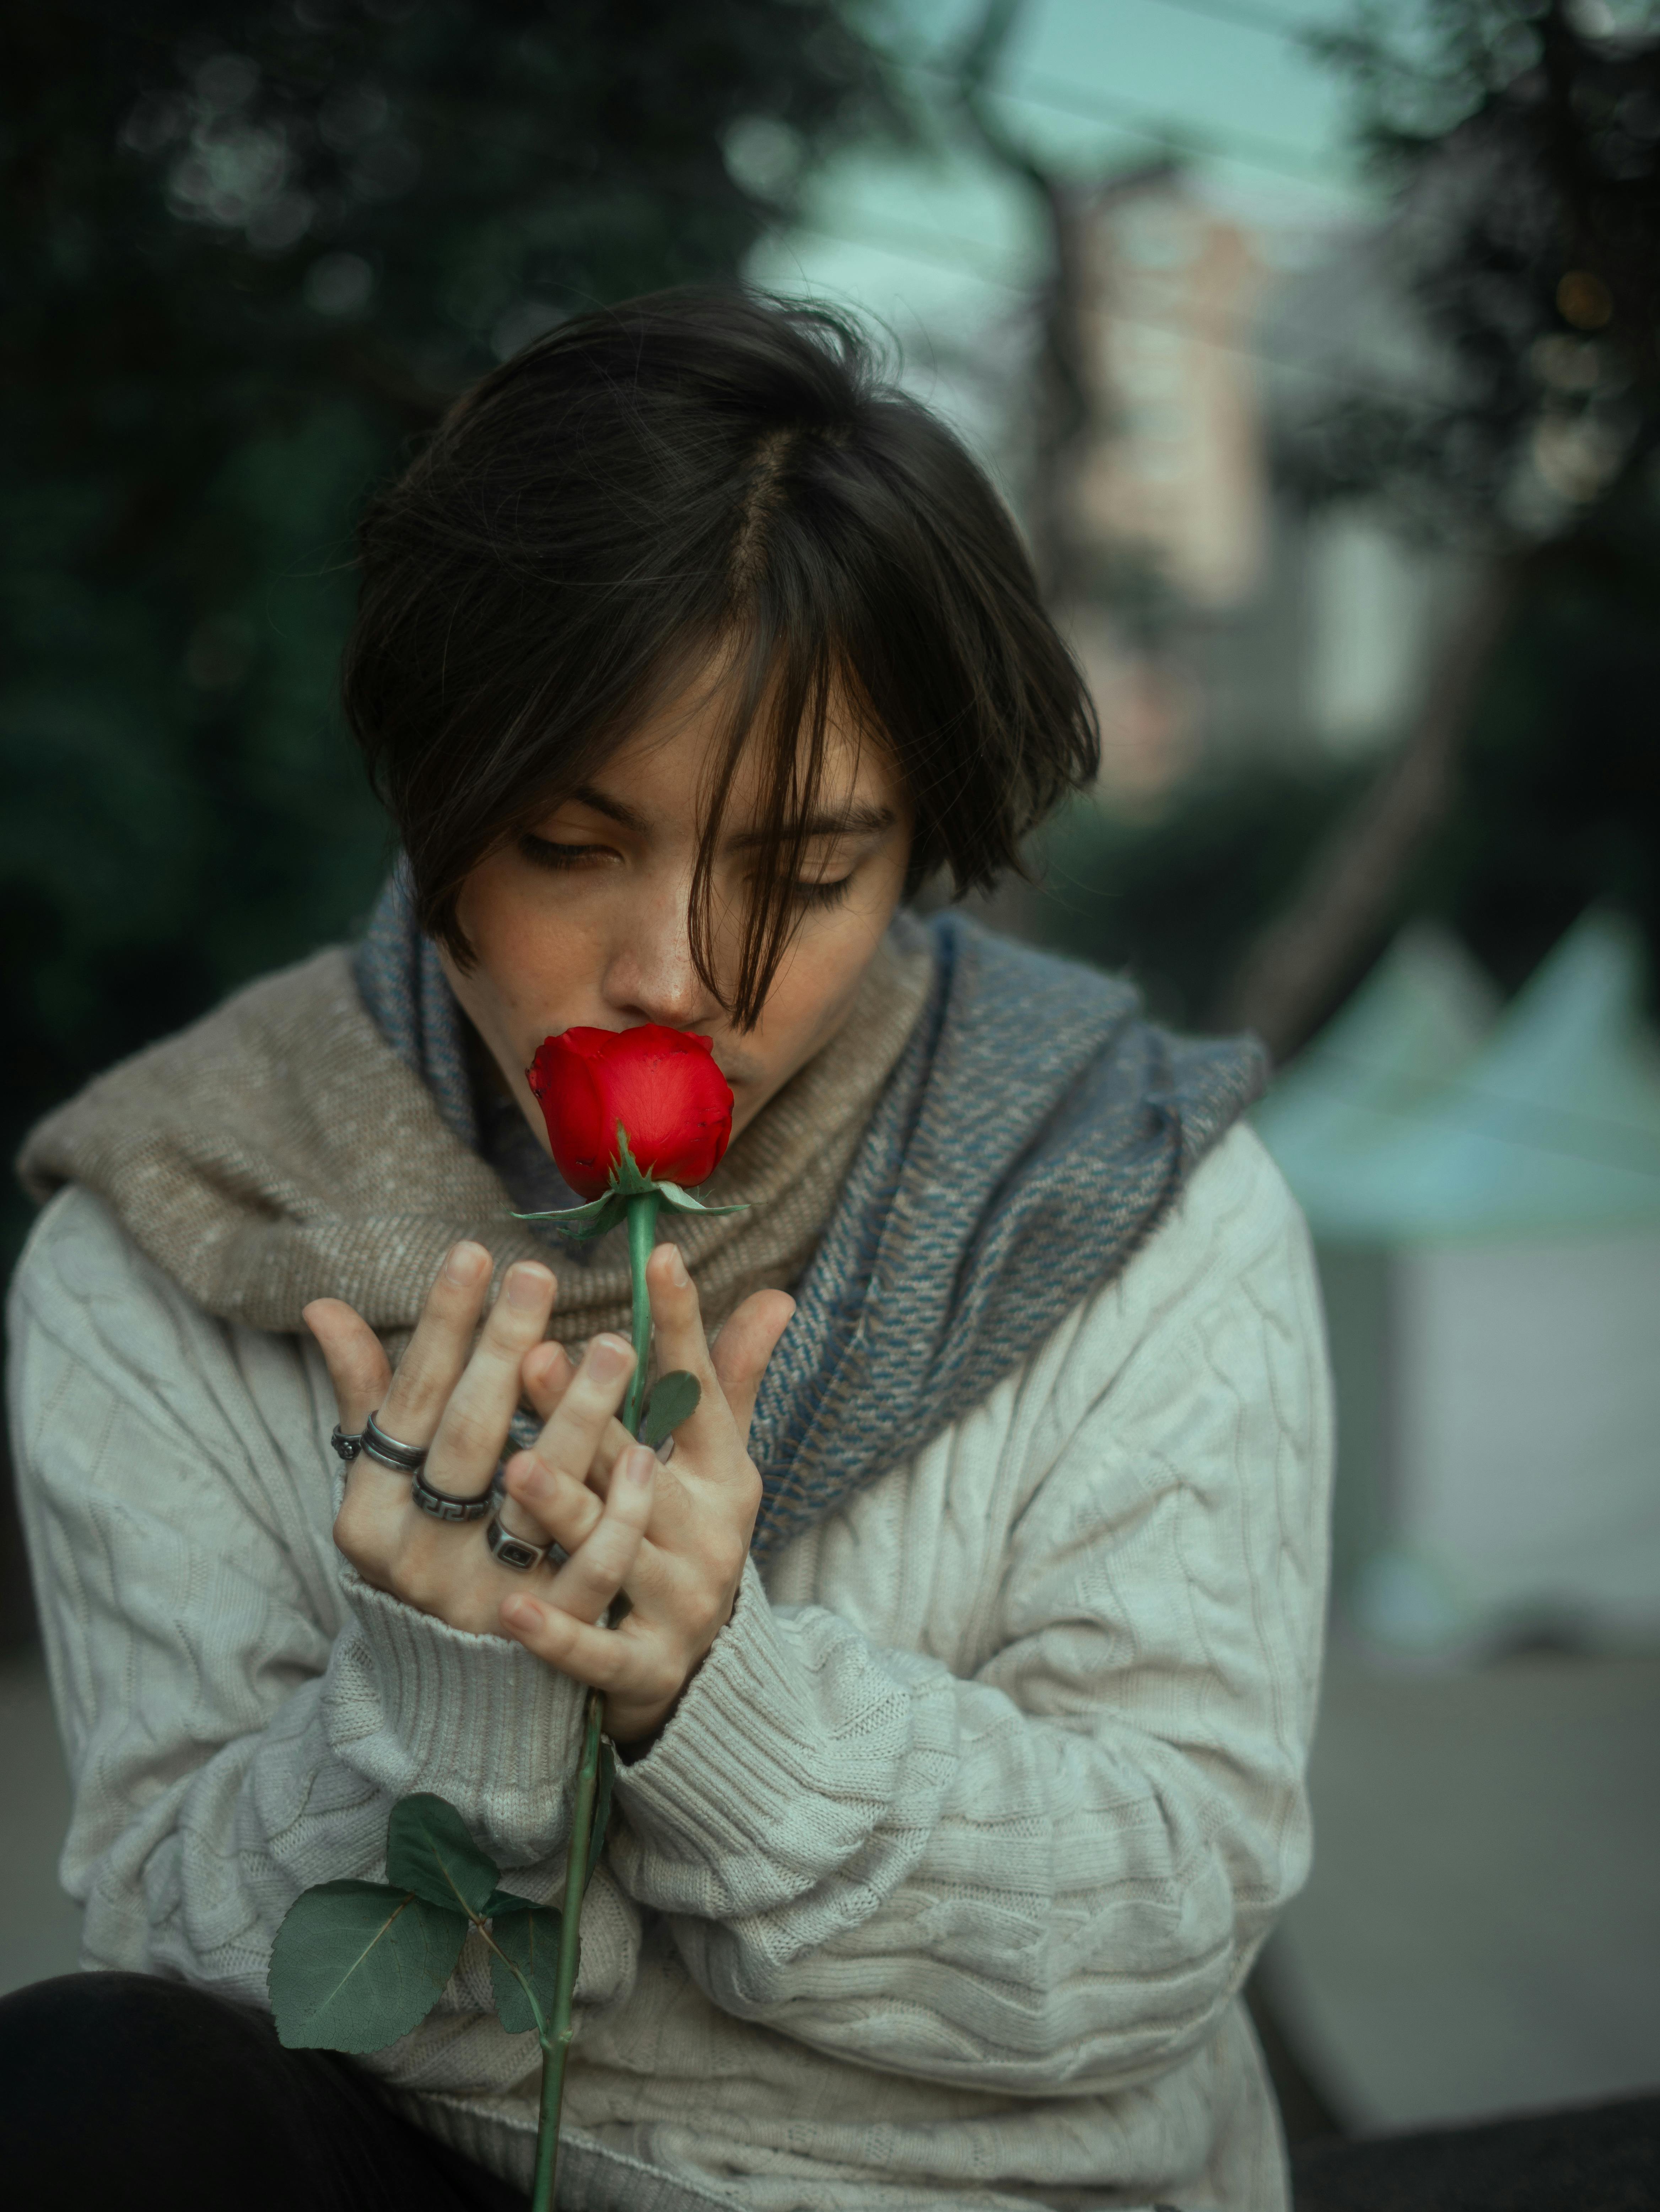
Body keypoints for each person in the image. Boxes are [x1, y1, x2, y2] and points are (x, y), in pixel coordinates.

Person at [3, 290, 1331, 2212]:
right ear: (432, 801)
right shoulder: (183, 1219)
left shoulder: (1125, 1196)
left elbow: (1163, 1918)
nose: (672, 978)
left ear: (918, 852)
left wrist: (721, 1702)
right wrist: (449, 1722)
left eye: (799, 876)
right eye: (567, 844)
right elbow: (172, 1932)